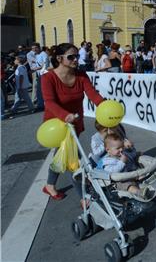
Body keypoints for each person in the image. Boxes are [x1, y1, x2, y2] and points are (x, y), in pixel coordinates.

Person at [41, 43, 104, 201]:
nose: (76, 59)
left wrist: (105, 106)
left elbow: (93, 94)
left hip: (74, 123)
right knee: (73, 160)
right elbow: (49, 102)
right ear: (59, 58)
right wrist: (65, 116)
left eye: (77, 56)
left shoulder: (81, 75)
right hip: (56, 125)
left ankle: (50, 185)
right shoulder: (48, 78)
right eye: (71, 57)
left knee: (61, 156)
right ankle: (84, 196)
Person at [101, 132, 152, 199]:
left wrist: (131, 148)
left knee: (142, 172)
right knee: (128, 186)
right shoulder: (108, 161)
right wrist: (122, 162)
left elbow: (132, 155)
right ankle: (139, 192)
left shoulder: (124, 153)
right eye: (118, 148)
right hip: (121, 180)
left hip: (132, 174)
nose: (121, 149)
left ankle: (149, 180)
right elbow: (112, 172)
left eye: (122, 146)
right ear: (108, 150)